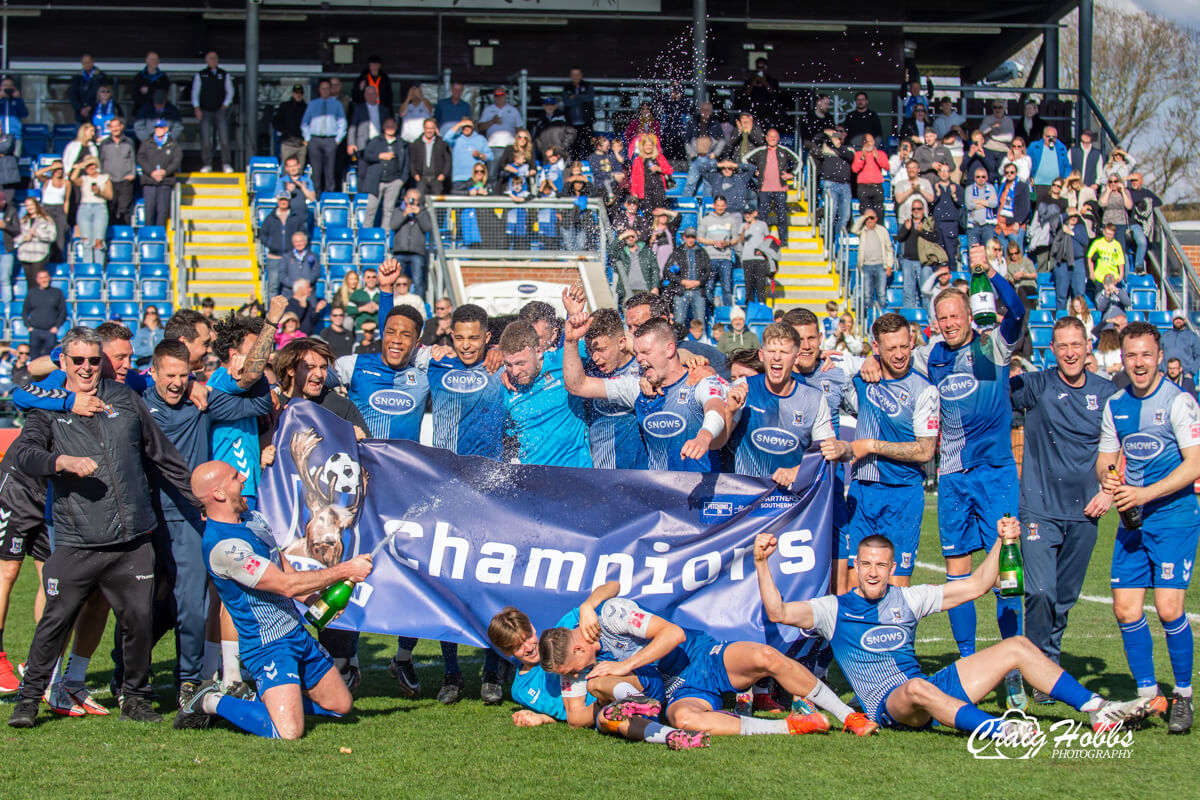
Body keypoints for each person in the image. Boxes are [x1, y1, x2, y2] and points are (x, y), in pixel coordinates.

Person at [756, 520, 1151, 736]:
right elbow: (777, 612)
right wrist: (761, 562)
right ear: (856, 567)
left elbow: (977, 586)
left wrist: (1000, 541)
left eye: (882, 566)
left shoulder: (907, 598)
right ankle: (998, 730)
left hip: (932, 689)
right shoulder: (833, 609)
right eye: (867, 565)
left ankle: (1098, 710)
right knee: (914, 687)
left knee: (1016, 645)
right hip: (891, 707)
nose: (873, 573)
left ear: (893, 570)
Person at [6, 327, 201, 728]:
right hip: (78, 538)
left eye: (94, 361)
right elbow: (23, 453)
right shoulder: (50, 408)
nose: (86, 368)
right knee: (54, 621)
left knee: (138, 624)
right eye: (77, 360)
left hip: (132, 539)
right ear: (64, 363)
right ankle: (28, 701)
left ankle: (137, 698)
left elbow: (162, 456)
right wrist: (60, 463)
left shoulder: (126, 400)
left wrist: (200, 501)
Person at [862, 249, 1027, 689]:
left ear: (970, 315)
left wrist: (989, 272)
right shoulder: (931, 357)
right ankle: (970, 662)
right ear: (934, 323)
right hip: (952, 479)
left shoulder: (993, 345)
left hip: (994, 474)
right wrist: (871, 360)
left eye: (957, 315)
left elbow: (1019, 310)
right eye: (944, 318)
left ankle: (1013, 669)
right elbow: (895, 362)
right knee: (958, 576)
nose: (951, 323)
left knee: (1006, 572)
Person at [169, 460, 372, 737]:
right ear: (218, 494)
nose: (243, 478)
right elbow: (283, 585)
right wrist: (347, 570)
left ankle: (267, 701)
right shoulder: (224, 548)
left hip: (296, 633)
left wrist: (313, 600)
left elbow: (282, 565)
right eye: (233, 478)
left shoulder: (254, 519)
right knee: (287, 732)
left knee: (340, 706)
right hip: (267, 645)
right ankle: (210, 701)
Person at [538, 593, 874, 738]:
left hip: (698, 656)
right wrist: (549, 714)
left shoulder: (610, 616)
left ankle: (848, 716)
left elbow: (674, 634)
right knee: (684, 719)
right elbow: (576, 717)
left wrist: (625, 664)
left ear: (579, 647)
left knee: (766, 658)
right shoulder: (577, 663)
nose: (574, 676)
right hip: (677, 691)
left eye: (570, 670)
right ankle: (791, 726)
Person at [1097, 321, 1200, 733]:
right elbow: (1105, 458)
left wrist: (1145, 493)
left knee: (1170, 608)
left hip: (1174, 516)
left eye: (1146, 355)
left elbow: (1194, 465)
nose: (1138, 363)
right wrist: (1108, 477)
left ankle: (1183, 696)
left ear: (1160, 358)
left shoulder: (1179, 402)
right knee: (1125, 608)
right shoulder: (1116, 403)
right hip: (1133, 520)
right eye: (1131, 355)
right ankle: (1147, 696)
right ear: (1122, 357)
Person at [1009, 317, 1118, 694]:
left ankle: (1046, 661)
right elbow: (992, 391)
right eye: (1062, 346)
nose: (1070, 352)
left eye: (1076, 345)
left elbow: (1122, 447)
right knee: (1040, 591)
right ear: (1051, 351)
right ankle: (1039, 667)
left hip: (1086, 512)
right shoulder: (1036, 385)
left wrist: (1108, 491)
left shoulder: (1108, 394)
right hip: (1038, 508)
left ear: (1088, 348)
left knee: (1064, 599)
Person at [839, 313, 939, 587]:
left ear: (912, 341)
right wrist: (866, 361)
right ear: (876, 347)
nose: (898, 355)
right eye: (890, 348)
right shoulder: (862, 378)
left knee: (896, 586)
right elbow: (821, 362)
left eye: (904, 346)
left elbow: (925, 451)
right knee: (854, 583)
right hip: (863, 491)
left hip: (903, 494)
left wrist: (871, 446)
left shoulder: (924, 390)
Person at [562, 312, 728, 473]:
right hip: (656, 492)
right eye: (637, 353)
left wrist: (705, 435)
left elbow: (716, 406)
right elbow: (579, 385)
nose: (638, 359)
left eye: (645, 353)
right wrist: (570, 341)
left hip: (701, 492)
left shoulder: (700, 379)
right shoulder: (638, 387)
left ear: (669, 350)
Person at [724, 322, 847, 484]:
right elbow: (716, 443)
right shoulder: (742, 387)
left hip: (793, 500)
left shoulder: (814, 398)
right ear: (762, 355)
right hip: (748, 496)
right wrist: (729, 412)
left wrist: (798, 472)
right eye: (772, 351)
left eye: (784, 352)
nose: (776, 357)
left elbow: (829, 453)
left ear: (796, 358)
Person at [748, 128, 797, 247]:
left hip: (780, 188)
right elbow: (745, 160)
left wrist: (792, 174)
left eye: (775, 136)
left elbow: (798, 162)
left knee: (781, 215)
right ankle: (762, 239)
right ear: (766, 138)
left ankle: (783, 241)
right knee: (763, 215)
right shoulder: (760, 151)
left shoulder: (784, 150)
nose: (772, 138)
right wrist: (754, 171)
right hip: (764, 188)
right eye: (770, 136)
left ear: (779, 138)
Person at [361, 117, 409, 231]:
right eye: (388, 126)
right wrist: (379, 156)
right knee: (371, 208)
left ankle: (385, 235)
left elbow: (406, 163)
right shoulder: (375, 141)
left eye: (392, 126)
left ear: (396, 127)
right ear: (383, 127)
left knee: (389, 210)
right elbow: (366, 155)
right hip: (376, 181)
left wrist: (401, 180)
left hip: (394, 181)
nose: (390, 128)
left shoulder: (402, 143)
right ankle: (366, 234)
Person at [302, 78, 348, 196]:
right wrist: (308, 138)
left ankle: (329, 196)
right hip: (315, 139)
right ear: (319, 90)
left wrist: (337, 140)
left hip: (330, 139)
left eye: (327, 88)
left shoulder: (336, 104)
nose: (325, 91)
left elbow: (342, 122)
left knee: (330, 170)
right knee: (316, 170)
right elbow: (305, 122)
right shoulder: (313, 104)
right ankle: (316, 196)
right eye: (323, 88)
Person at [191, 52, 234, 173]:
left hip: (220, 110)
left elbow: (230, 91)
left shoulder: (224, 74)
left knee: (224, 138)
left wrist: (226, 103)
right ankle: (207, 164)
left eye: (215, 58)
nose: (213, 60)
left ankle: (226, 163)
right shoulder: (201, 75)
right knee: (205, 139)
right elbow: (195, 92)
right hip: (205, 111)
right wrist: (196, 107)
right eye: (210, 58)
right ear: (206, 60)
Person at [137, 117, 182, 228]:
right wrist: (151, 172)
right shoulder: (147, 143)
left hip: (165, 181)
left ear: (166, 129)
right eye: (156, 127)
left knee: (162, 210)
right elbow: (141, 158)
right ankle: (148, 236)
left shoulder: (173, 144)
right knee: (149, 210)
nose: (158, 130)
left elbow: (176, 160)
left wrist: (165, 172)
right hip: (149, 181)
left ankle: (160, 236)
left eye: (161, 127)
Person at [662, 227, 710, 327]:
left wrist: (699, 282)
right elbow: (667, 271)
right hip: (681, 291)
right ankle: (679, 341)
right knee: (679, 322)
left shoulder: (702, 252)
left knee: (700, 322)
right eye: (688, 237)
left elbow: (709, 271)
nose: (690, 239)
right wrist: (682, 281)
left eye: (692, 237)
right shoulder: (678, 252)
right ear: (684, 237)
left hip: (698, 291)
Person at [347, 85, 393, 188]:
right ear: (364, 95)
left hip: (379, 143)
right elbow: (353, 126)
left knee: (379, 172)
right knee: (362, 172)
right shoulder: (358, 109)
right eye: (368, 94)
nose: (371, 96)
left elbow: (390, 127)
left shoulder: (384, 110)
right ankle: (361, 198)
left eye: (373, 94)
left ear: (377, 95)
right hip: (363, 144)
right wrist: (351, 143)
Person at [259, 195, 305, 299]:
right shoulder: (270, 218)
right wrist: (271, 244)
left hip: (290, 258)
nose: (283, 202)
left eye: (285, 199)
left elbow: (303, 233)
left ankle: (288, 313)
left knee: (290, 287)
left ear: (289, 201)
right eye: (281, 199)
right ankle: (272, 313)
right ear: (278, 201)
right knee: (273, 287)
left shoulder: (295, 217)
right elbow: (262, 234)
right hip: (274, 258)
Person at [389, 190, 432, 299]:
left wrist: (419, 214)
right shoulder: (398, 210)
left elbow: (427, 227)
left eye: (415, 200)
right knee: (397, 279)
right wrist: (404, 214)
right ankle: (396, 300)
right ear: (405, 199)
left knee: (418, 280)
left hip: (417, 252)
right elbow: (393, 225)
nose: (413, 202)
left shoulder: (423, 211)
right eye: (411, 199)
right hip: (400, 250)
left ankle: (418, 302)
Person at [69, 159, 110, 266]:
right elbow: (73, 178)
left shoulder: (104, 178)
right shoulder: (84, 179)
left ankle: (99, 268)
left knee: (98, 241)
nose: (90, 168)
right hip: (85, 208)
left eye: (92, 166)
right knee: (86, 241)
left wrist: (99, 192)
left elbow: (110, 196)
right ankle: (88, 268)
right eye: (87, 166)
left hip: (100, 207)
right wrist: (80, 166)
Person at [852, 210, 893, 315]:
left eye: (872, 218)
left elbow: (889, 248)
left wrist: (889, 265)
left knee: (881, 294)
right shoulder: (863, 231)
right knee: (867, 295)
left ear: (876, 219)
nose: (870, 220)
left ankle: (882, 316)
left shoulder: (882, 230)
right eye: (867, 219)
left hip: (880, 266)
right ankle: (868, 318)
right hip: (866, 266)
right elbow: (854, 229)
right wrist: (864, 216)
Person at [98, 118, 136, 225]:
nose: (115, 129)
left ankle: (124, 235)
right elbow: (101, 161)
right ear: (109, 128)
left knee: (125, 210)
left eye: (117, 126)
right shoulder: (104, 143)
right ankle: (111, 235)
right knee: (110, 208)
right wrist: (103, 178)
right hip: (109, 181)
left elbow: (132, 160)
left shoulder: (129, 142)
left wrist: (132, 174)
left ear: (121, 127)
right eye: (112, 126)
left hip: (125, 181)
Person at [21, 270, 65, 360]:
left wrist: (56, 327)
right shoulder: (32, 293)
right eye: (41, 278)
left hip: (50, 332)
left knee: (49, 359)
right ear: (37, 280)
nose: (44, 280)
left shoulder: (57, 292)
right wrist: (29, 326)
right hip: (35, 331)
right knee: (34, 359)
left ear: (49, 278)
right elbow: (24, 311)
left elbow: (63, 311)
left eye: (45, 277)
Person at [446, 119, 492, 193]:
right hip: (459, 178)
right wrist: (459, 124)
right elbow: (446, 138)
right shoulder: (456, 139)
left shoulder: (481, 139)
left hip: (476, 178)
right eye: (464, 126)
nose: (466, 128)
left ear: (473, 127)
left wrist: (480, 155)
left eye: (469, 126)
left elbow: (490, 156)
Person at [851, 134, 889, 221]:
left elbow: (886, 166)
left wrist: (877, 157)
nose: (868, 143)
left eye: (870, 141)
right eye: (866, 141)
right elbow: (855, 169)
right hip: (863, 186)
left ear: (874, 142)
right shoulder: (858, 154)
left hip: (877, 186)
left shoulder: (881, 153)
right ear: (862, 143)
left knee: (879, 210)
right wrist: (862, 158)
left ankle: (879, 230)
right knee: (865, 210)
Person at [995, 163, 1031, 254]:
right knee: (1004, 255)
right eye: (1007, 172)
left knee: (1016, 254)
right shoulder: (1002, 186)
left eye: (1012, 172)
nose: (1009, 174)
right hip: (1002, 225)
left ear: (1016, 173)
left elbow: (1025, 207)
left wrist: (1018, 222)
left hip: (1014, 225)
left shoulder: (1022, 186)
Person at [409, 119, 451, 196]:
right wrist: (415, 174)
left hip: (436, 178)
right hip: (422, 178)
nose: (429, 131)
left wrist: (443, 175)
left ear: (435, 129)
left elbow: (447, 160)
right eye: (427, 128)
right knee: (420, 199)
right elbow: (412, 161)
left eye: (431, 128)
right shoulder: (416, 143)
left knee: (437, 202)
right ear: (424, 129)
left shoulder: (442, 143)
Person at [561, 68, 596, 160]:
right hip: (572, 125)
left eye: (578, 74)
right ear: (570, 76)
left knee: (589, 146)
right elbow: (567, 102)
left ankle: (590, 167)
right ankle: (575, 168)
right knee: (574, 147)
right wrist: (581, 99)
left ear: (581, 75)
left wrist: (575, 97)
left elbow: (589, 97)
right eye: (573, 74)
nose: (576, 77)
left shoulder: (588, 85)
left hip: (586, 123)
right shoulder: (567, 87)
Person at [273, 84, 309, 169]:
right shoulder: (285, 106)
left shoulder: (306, 108)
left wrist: (307, 139)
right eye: (296, 93)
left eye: (300, 93)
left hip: (301, 143)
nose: (298, 95)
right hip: (287, 142)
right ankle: (286, 182)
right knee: (287, 169)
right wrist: (286, 131)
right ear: (293, 94)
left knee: (299, 169)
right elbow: (276, 122)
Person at [1161, 310, 1200, 380]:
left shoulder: (1192, 337)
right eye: (1176, 319)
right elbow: (1159, 354)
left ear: (1185, 320)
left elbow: (1198, 357)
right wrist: (1160, 370)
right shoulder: (1165, 336)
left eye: (1180, 319)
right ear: (1172, 320)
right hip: (1166, 375)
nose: (1178, 321)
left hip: (1185, 376)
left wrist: (1191, 373)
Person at [67, 54, 106, 124]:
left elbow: (104, 95)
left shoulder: (101, 77)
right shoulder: (77, 77)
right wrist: (80, 108)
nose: (87, 65)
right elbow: (72, 95)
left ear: (92, 62)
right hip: (80, 115)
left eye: (88, 62)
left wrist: (90, 107)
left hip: (96, 113)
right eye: (84, 63)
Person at [1088, 222, 1126, 289]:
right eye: (1108, 234)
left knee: (1109, 296)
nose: (1109, 236)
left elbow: (1120, 261)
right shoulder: (1098, 243)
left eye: (1111, 234)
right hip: (1100, 276)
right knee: (1099, 297)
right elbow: (1089, 257)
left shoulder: (1117, 245)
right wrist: (1091, 272)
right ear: (1104, 232)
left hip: (1112, 277)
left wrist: (1121, 274)